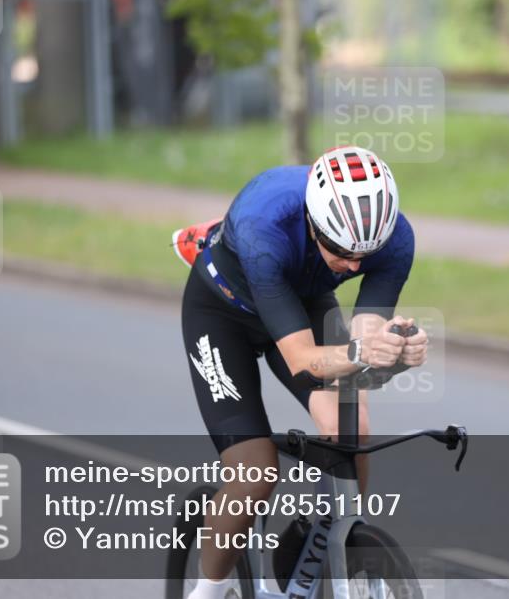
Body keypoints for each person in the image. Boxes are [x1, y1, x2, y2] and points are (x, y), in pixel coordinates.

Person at [176, 146, 427, 599]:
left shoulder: (395, 239)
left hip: (302, 303)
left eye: (362, 256)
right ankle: (208, 590)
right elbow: (303, 359)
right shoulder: (263, 226)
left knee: (351, 425)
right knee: (255, 471)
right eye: (340, 251)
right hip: (223, 313)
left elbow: (361, 352)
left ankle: (325, 546)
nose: (352, 266)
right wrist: (362, 351)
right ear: (313, 222)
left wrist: (394, 354)